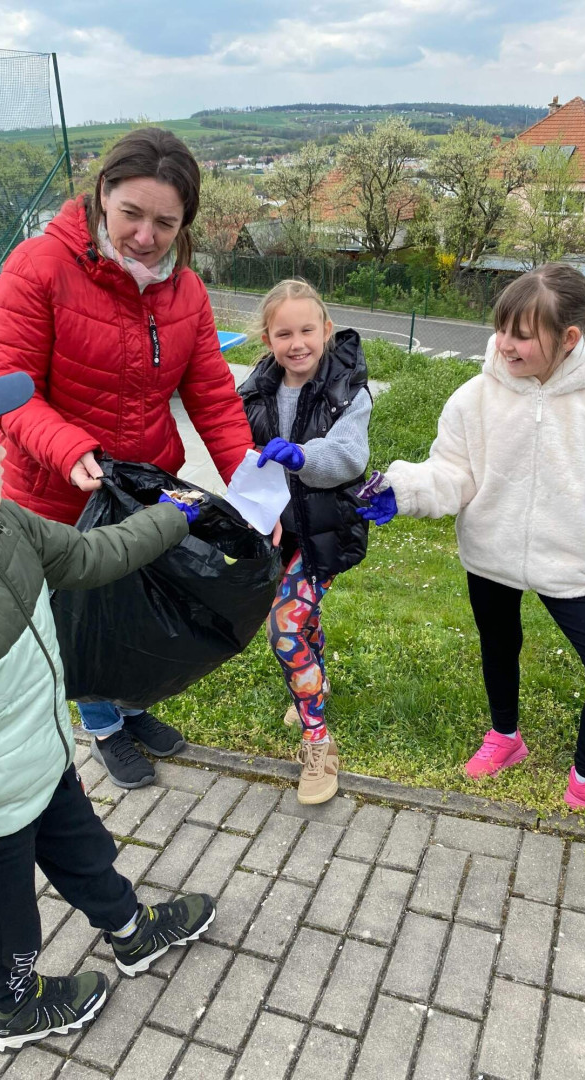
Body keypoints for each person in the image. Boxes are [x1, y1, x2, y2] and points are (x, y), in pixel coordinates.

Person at [0, 355, 215, 1053]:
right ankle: (14, 1008)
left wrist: (170, 519)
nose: (5, 446)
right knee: (5, 925)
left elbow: (88, 558)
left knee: (89, 855)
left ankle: (131, 933)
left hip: (44, 761)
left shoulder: (5, 525)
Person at [358, 264, 585, 837]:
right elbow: (453, 472)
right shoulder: (475, 396)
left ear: (569, 338)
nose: (504, 344)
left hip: (571, 562)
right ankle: (505, 736)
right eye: (501, 328)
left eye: (522, 335)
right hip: (491, 553)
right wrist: (403, 490)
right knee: (499, 644)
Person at [0, 127, 255, 789]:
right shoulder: (38, 267)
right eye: (131, 213)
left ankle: (132, 708)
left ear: (184, 223)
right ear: (102, 193)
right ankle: (103, 727)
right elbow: (10, 390)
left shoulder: (185, 291)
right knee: (84, 624)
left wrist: (253, 486)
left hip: (146, 491)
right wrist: (68, 446)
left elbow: (213, 396)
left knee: (137, 615)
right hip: (58, 494)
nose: (144, 236)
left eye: (165, 223)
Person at [238, 280, 372, 804]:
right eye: (284, 334)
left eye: (307, 331)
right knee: (303, 615)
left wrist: (302, 456)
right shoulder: (256, 389)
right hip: (277, 532)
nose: (297, 344)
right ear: (267, 339)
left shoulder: (348, 391)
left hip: (325, 532)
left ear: (326, 330)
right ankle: (316, 682)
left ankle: (319, 744)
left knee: (286, 628)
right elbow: (236, 447)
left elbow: (350, 455)